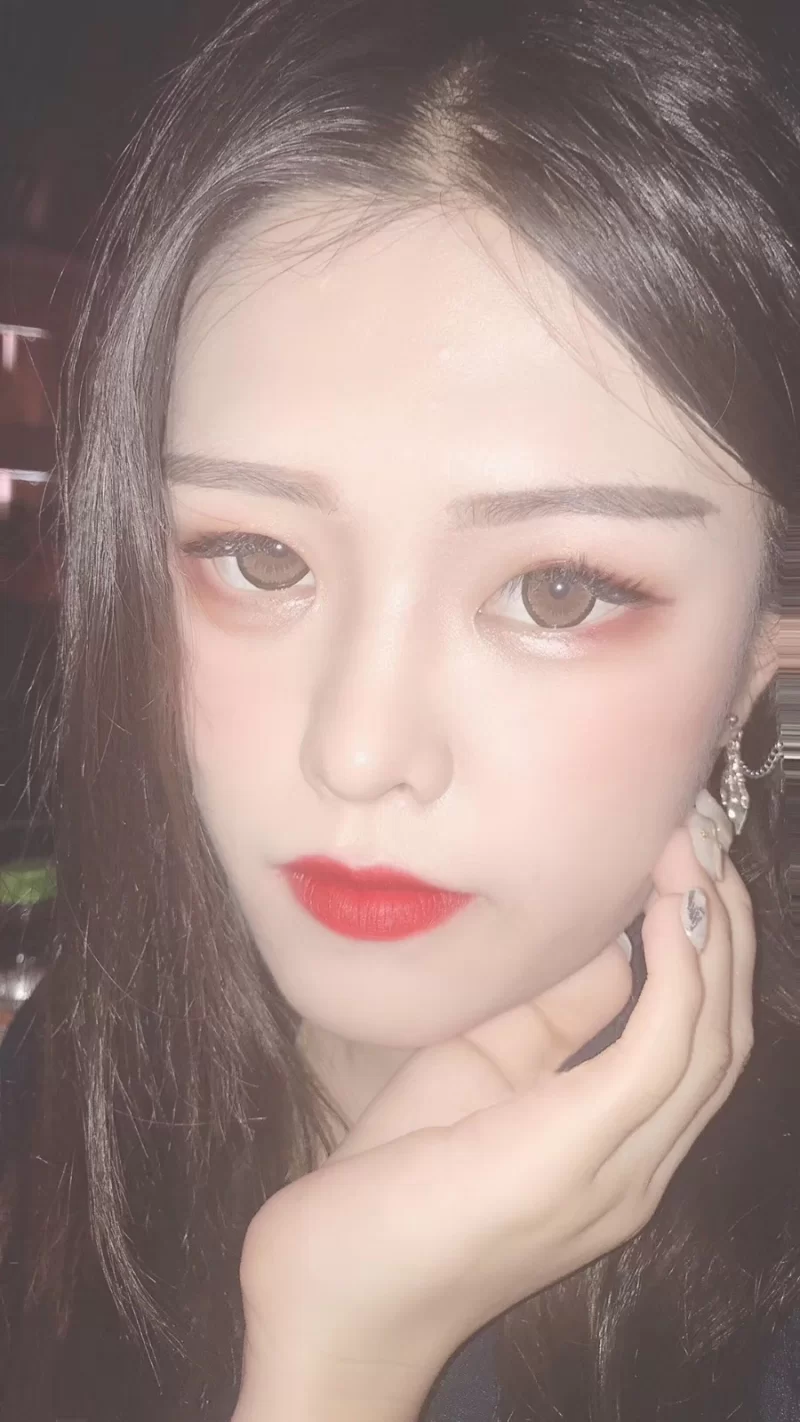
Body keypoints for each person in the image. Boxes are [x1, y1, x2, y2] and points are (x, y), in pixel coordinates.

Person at [0, 0, 798, 1417]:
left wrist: (342, 1360)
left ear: (765, 647)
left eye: (556, 590)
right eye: (260, 559)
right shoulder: (75, 1060)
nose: (359, 751)